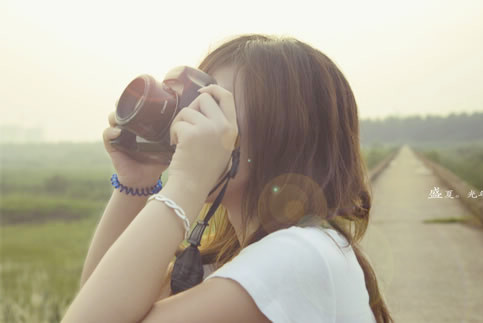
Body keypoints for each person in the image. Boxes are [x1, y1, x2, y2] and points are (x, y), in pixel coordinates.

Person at [62, 34, 394, 323]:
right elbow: (100, 300)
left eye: (213, 104)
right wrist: (135, 182)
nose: (189, 119)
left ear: (282, 133)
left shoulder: (300, 254)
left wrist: (187, 183)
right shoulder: (231, 260)